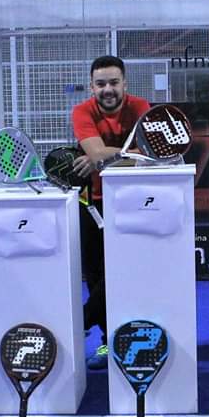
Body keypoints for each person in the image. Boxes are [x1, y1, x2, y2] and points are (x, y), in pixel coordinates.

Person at [70, 56, 151, 369]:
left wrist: (104, 157)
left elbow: (151, 155)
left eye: (114, 82)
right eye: (101, 83)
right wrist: (115, 155)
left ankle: (82, 319)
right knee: (96, 277)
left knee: (120, 270)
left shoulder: (141, 107)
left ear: (125, 84)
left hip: (132, 203)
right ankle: (107, 342)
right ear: (92, 87)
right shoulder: (82, 111)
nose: (108, 89)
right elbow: (95, 152)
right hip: (91, 204)